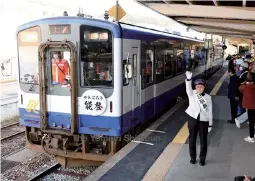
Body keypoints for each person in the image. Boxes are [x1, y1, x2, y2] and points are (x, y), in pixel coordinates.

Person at [185, 71, 213, 166]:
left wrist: (210, 124)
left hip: (203, 121)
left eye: (201, 87)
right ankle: (193, 158)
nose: (199, 88)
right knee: (192, 140)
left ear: (204, 87)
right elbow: (188, 88)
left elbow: (210, 111)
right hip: (193, 119)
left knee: (203, 142)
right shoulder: (192, 94)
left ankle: (202, 159)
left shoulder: (208, 97)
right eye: (197, 87)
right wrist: (189, 80)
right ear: (195, 88)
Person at [239, 72, 255, 143]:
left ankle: (251, 137)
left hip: (250, 106)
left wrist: (245, 83)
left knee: (251, 122)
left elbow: (240, 88)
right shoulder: (253, 85)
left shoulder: (246, 87)